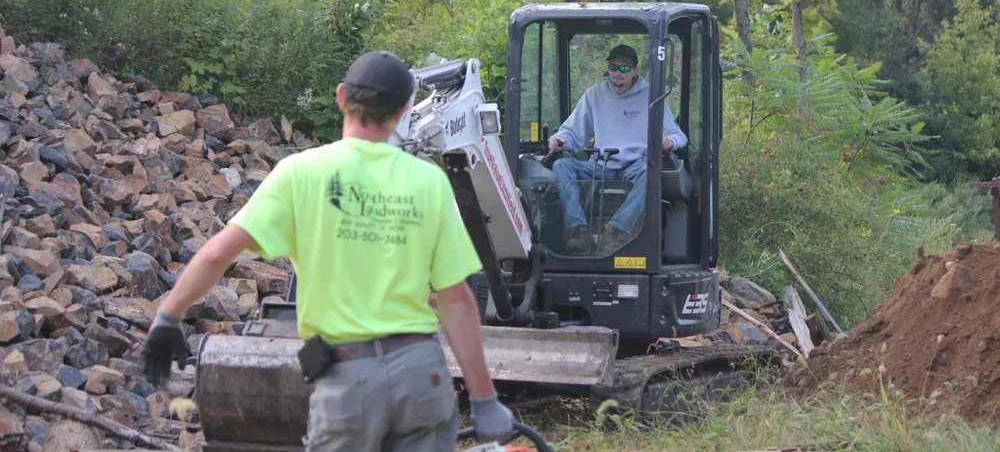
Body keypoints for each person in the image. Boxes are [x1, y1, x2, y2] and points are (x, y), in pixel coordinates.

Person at [140, 50, 513, 452]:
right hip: (420, 376)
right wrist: (484, 399)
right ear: (404, 110)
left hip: (346, 380)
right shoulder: (429, 182)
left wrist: (168, 317)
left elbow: (216, 255)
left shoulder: (301, 173)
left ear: (340, 97)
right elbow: (456, 300)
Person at [547, 44, 687, 254]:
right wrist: (558, 140)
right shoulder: (594, 95)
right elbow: (572, 133)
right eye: (614, 68)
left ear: (634, 71)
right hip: (600, 165)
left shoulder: (651, 97)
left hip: (635, 165)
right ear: (608, 70)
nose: (618, 74)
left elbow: (679, 136)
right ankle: (579, 230)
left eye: (624, 69)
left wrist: (669, 142)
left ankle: (615, 230)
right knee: (561, 166)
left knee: (650, 170)